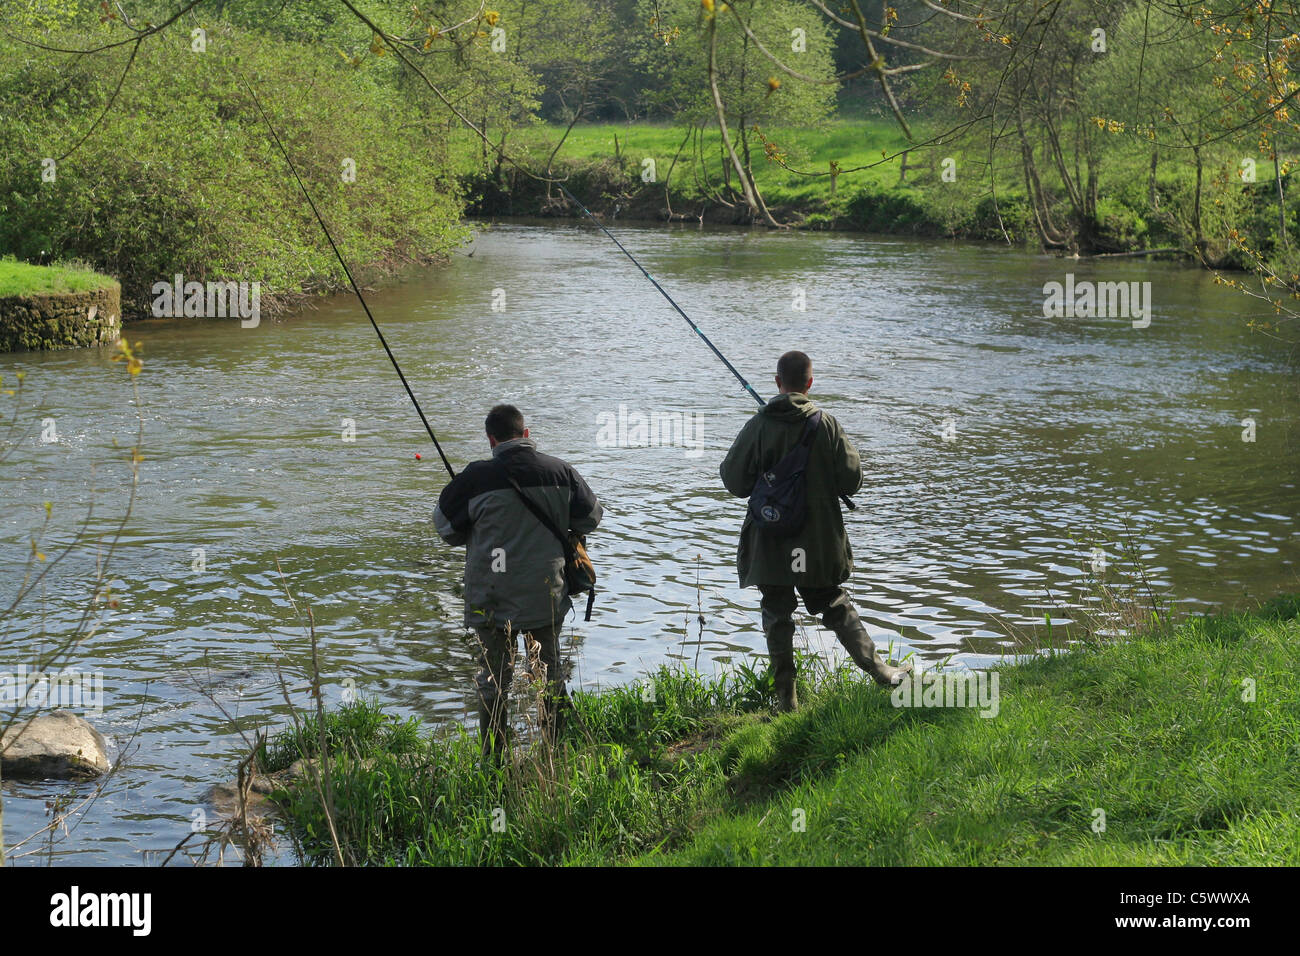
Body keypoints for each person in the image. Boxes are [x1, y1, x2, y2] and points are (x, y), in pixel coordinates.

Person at [720, 351, 911, 712]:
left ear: (778, 383)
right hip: (817, 542)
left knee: (777, 613)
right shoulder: (826, 424)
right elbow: (853, 480)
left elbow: (733, 481)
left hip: (771, 542)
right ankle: (881, 670)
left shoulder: (758, 426)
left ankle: (787, 701)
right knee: (834, 603)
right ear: (809, 383)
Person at [434, 404, 603, 755]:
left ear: (490, 440)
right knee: (548, 672)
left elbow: (446, 530)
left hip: (491, 600)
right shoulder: (561, 471)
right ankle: (555, 752)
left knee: (494, 681)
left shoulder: (473, 479)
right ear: (526, 434)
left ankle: (494, 761)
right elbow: (591, 518)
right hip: (545, 592)